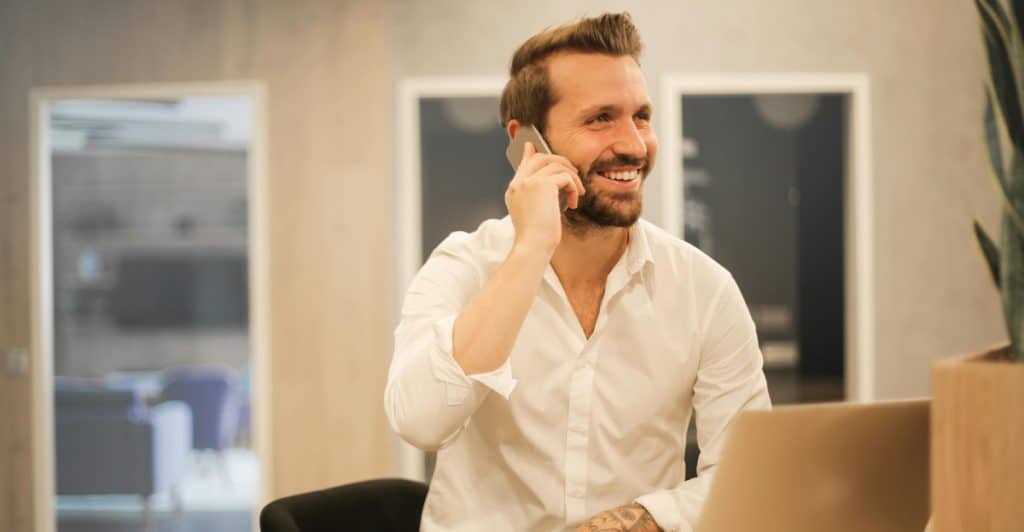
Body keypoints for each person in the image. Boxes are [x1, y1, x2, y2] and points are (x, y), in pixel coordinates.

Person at [385, 12, 771, 532]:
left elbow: (748, 476)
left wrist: (623, 523)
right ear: (529, 145)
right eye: (601, 118)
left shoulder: (705, 290)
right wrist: (531, 250)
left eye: (641, 116)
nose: (634, 144)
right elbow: (420, 420)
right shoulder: (464, 265)